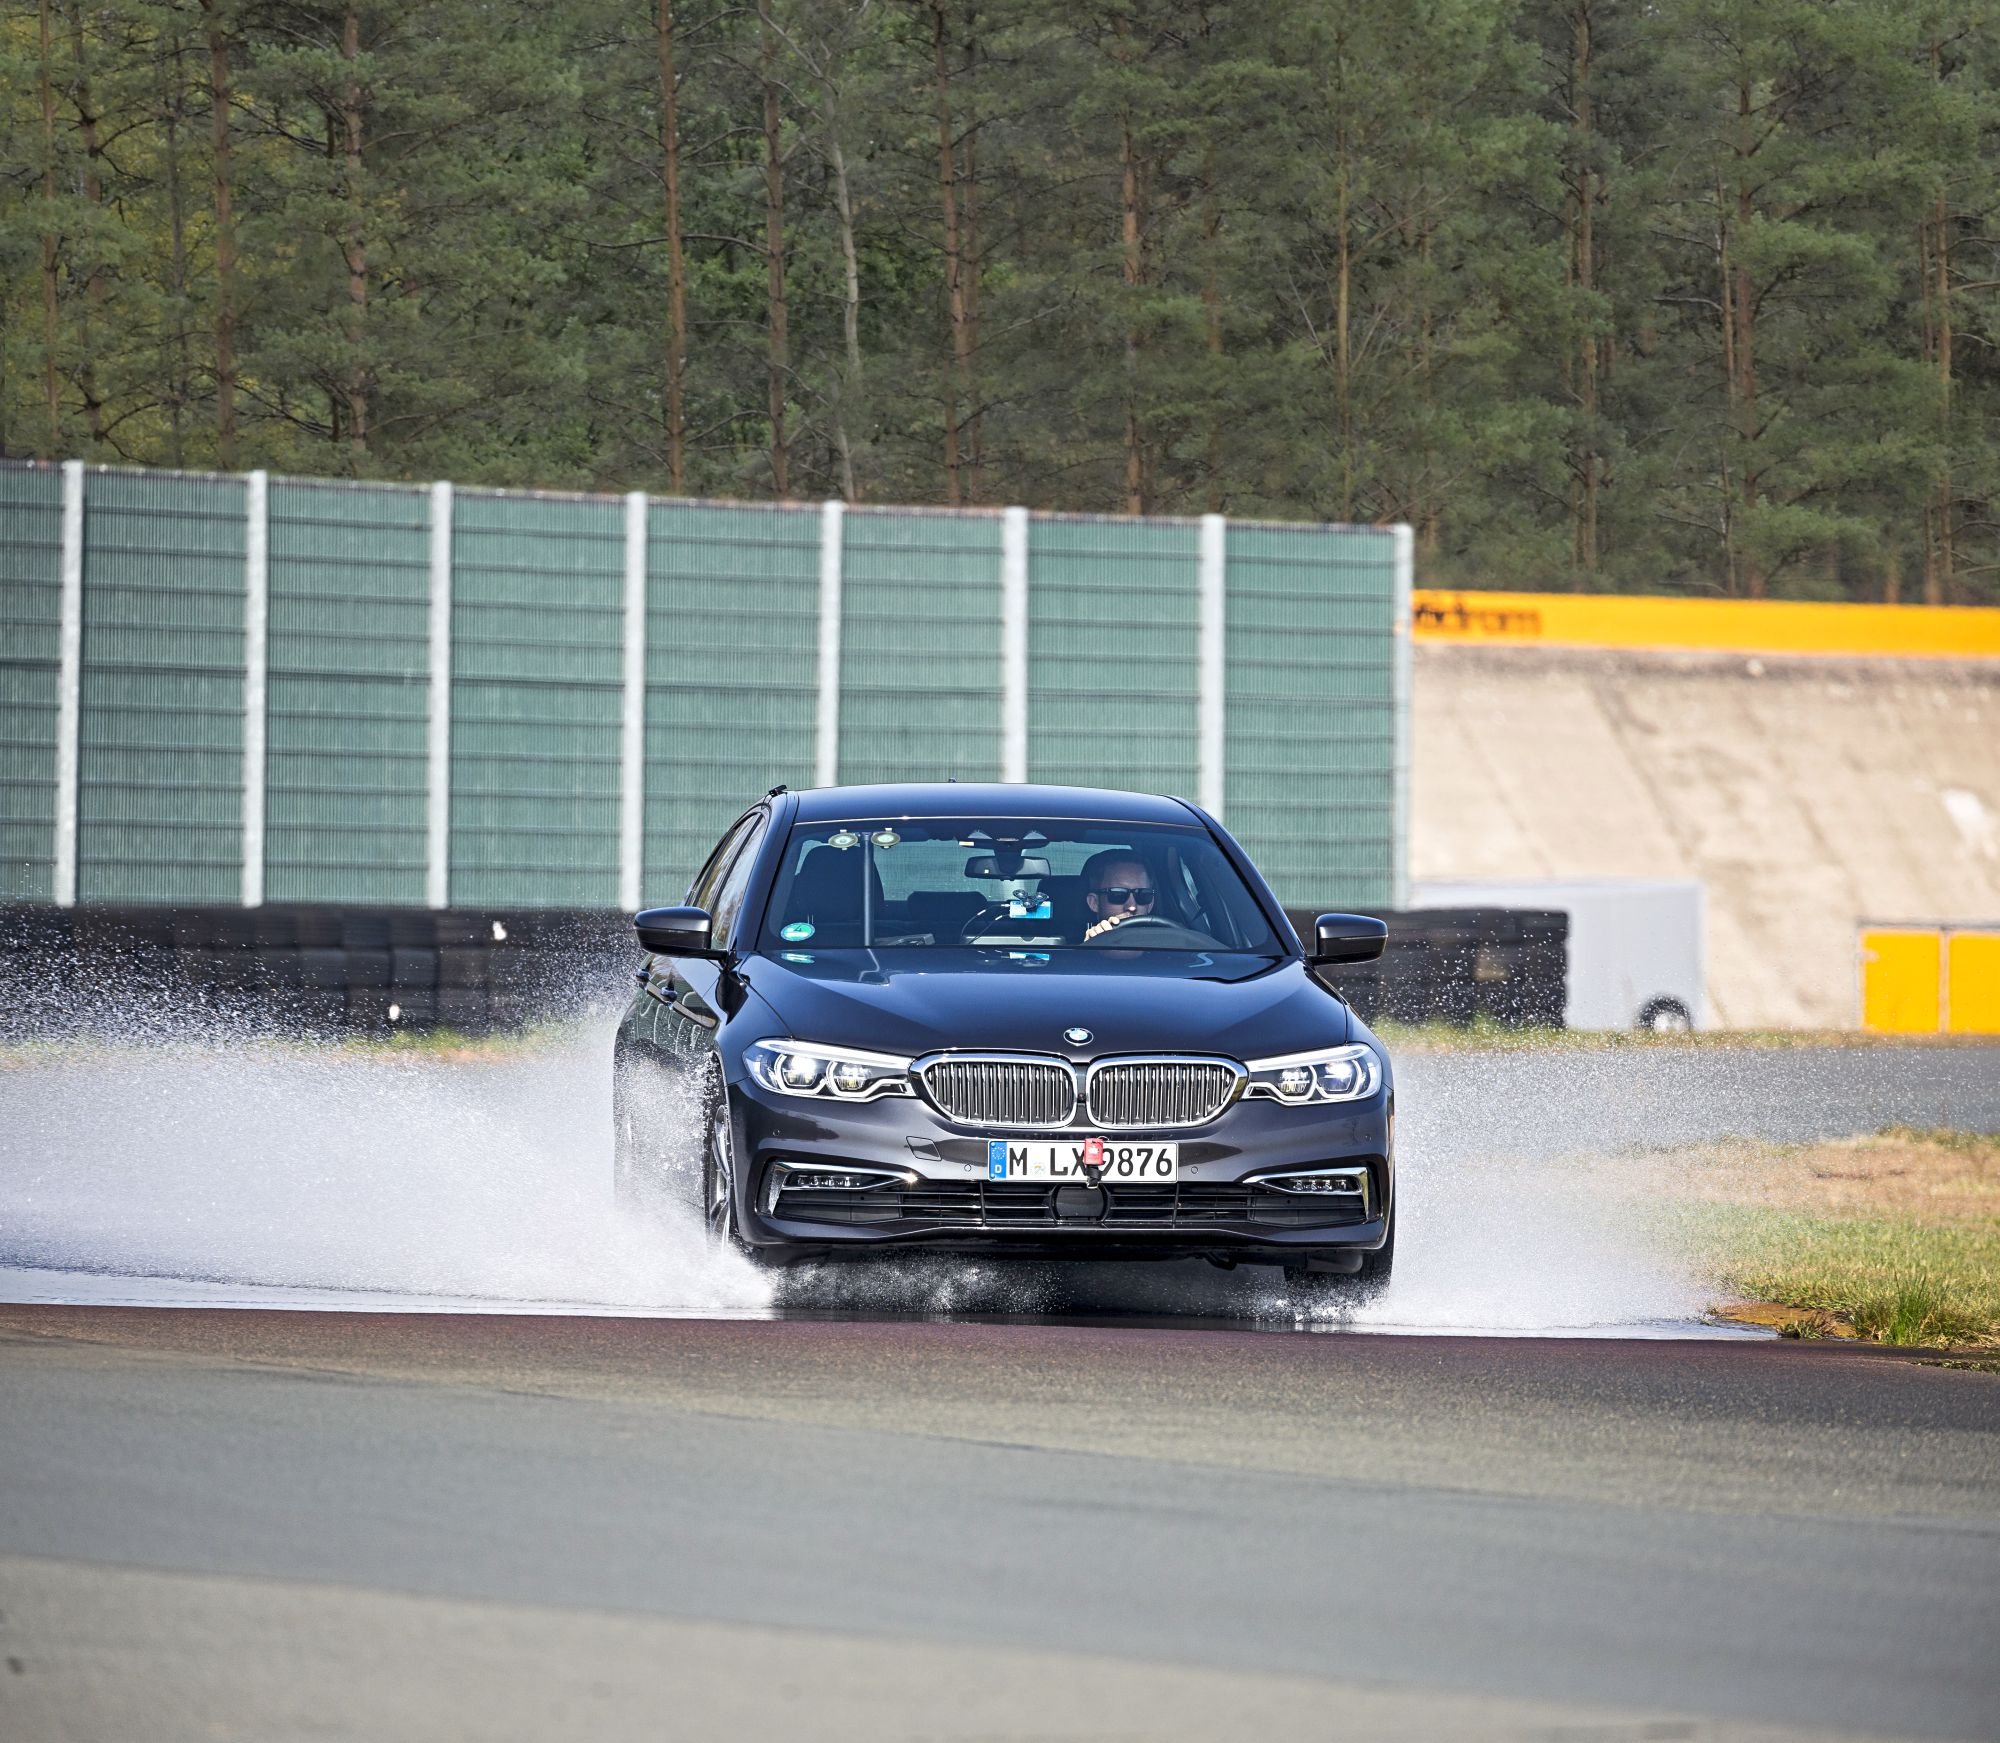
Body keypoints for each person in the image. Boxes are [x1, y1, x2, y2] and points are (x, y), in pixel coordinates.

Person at [1079, 850, 1158, 941]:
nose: (1132, 907)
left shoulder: (1169, 943)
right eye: (1118, 895)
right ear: (1094, 903)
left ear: (1151, 903)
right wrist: (1093, 945)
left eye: (1142, 895)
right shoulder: (1070, 953)